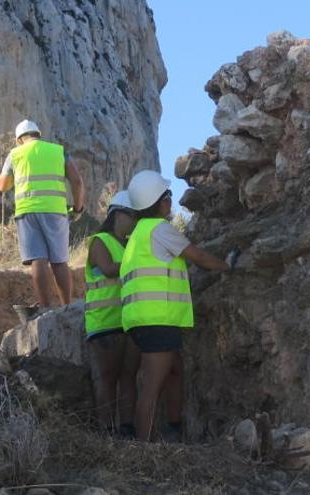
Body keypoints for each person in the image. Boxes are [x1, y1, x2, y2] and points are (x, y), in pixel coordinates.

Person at [120, 170, 237, 442]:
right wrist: (226, 265)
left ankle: (173, 430)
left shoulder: (136, 236)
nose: (170, 201)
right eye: (168, 196)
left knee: (174, 371)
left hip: (142, 321)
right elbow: (197, 256)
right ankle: (144, 451)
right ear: (160, 202)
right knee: (152, 386)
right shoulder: (159, 229)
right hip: (157, 320)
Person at [0, 119, 85, 317]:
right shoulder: (58, 151)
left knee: (38, 260)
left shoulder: (15, 153)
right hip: (55, 211)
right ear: (38, 134)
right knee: (60, 261)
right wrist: (77, 208)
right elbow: (77, 182)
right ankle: (67, 306)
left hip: (27, 212)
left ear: (19, 139)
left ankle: (44, 309)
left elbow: (2, 186)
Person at [85, 190, 140, 438]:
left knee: (128, 376)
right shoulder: (99, 241)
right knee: (107, 378)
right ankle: (106, 431)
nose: (136, 222)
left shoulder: (129, 244)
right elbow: (108, 269)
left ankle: (126, 429)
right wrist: (138, 263)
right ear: (119, 214)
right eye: (133, 216)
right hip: (104, 323)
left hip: (128, 321)